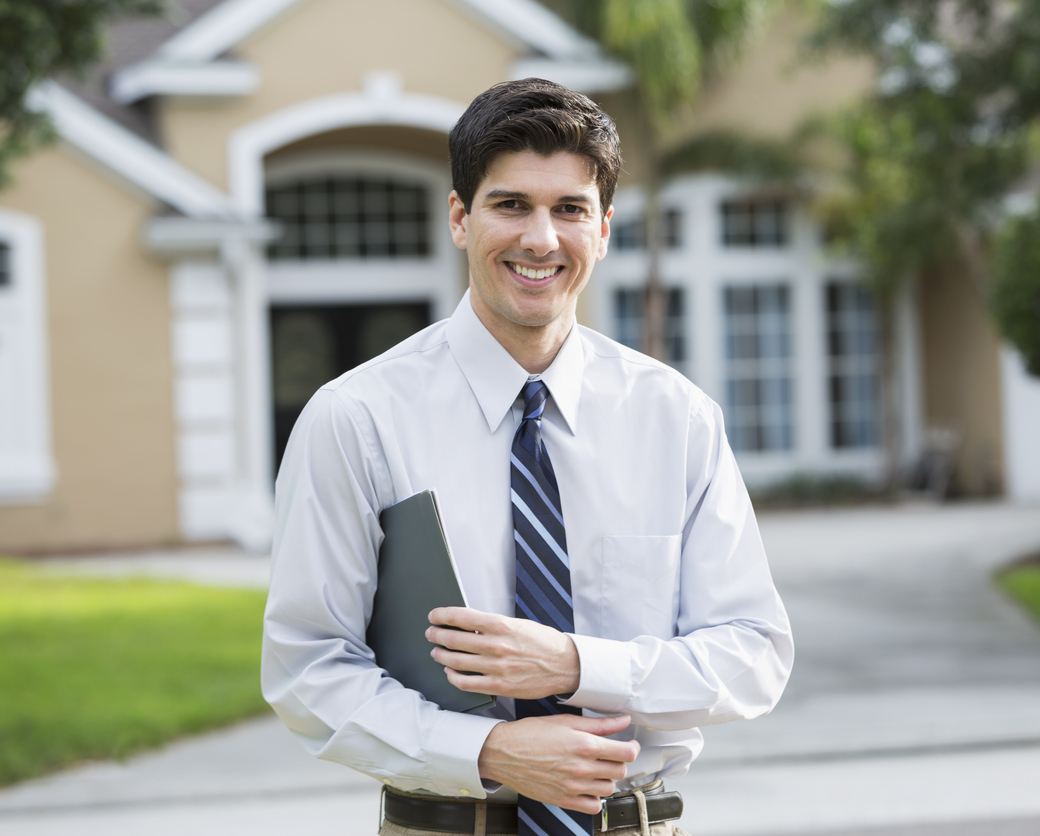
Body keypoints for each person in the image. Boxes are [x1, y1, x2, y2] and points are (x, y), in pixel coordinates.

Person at [261, 78, 793, 836]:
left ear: (604, 229)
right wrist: (491, 750)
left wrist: (578, 666)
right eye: (511, 205)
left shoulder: (676, 419)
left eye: (570, 209)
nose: (541, 238)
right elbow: (307, 669)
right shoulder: (357, 420)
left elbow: (753, 655)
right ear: (459, 217)